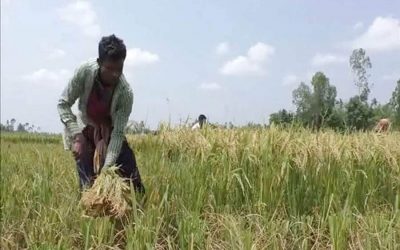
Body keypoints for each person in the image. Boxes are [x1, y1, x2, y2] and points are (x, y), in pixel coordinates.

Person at [57, 34, 145, 193]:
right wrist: (77, 136)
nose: (115, 74)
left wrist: (106, 169)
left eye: (119, 68)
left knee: (130, 171)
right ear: (99, 63)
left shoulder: (125, 93)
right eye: (109, 69)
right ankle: (90, 204)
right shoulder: (85, 72)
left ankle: (137, 201)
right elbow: (63, 104)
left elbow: (118, 133)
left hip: (109, 131)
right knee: (87, 180)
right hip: (85, 127)